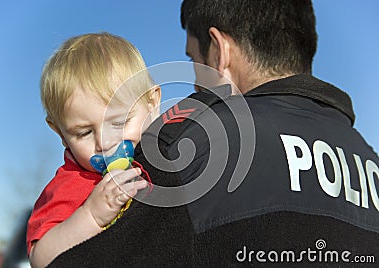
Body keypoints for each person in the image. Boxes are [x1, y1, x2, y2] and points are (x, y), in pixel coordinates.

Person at [49, 1, 379, 266]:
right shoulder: (369, 160)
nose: (194, 82)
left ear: (220, 52)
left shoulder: (188, 143)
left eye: (194, 60)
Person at [26, 32, 161, 267]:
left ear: (152, 103)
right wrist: (91, 216)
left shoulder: (169, 148)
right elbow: (40, 259)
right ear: (61, 133)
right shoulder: (68, 186)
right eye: (84, 133)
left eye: (119, 122)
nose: (105, 143)